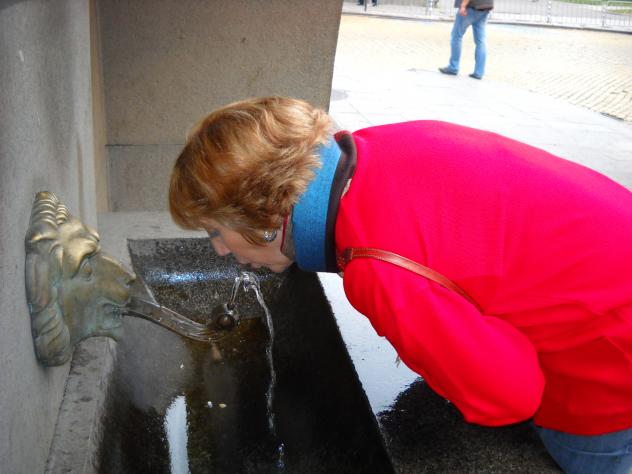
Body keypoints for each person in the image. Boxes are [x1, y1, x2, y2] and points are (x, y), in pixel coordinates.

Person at [169, 96, 632, 474]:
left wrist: (429, 349)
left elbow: (509, 396)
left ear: (266, 219)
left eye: (215, 231)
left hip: (610, 373)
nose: (220, 251)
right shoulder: (375, 148)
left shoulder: (378, 266)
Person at [439, 0, 494, 80]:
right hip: (485, 7)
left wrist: (463, 6)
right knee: (481, 41)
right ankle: (479, 72)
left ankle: (453, 67)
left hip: (470, 7)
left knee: (456, 36)